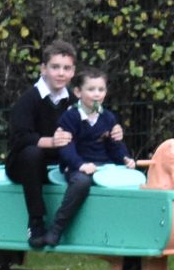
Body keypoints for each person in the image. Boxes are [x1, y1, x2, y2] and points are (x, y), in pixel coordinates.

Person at [38, 64, 129, 248]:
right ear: (78, 92)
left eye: (101, 89)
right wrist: (80, 165)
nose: (97, 94)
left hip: (104, 167)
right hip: (75, 167)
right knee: (81, 182)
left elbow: (114, 146)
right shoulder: (70, 117)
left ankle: (120, 236)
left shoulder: (108, 118)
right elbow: (66, 148)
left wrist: (125, 158)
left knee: (131, 180)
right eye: (91, 89)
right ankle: (56, 229)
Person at [4, 40, 79, 254]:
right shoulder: (28, 100)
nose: (60, 73)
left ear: (73, 72)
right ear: (43, 69)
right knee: (32, 153)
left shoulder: (73, 102)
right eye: (55, 67)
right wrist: (52, 142)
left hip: (56, 165)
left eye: (66, 68)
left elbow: (89, 127)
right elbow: (19, 138)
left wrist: (110, 130)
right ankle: (36, 221)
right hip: (24, 164)